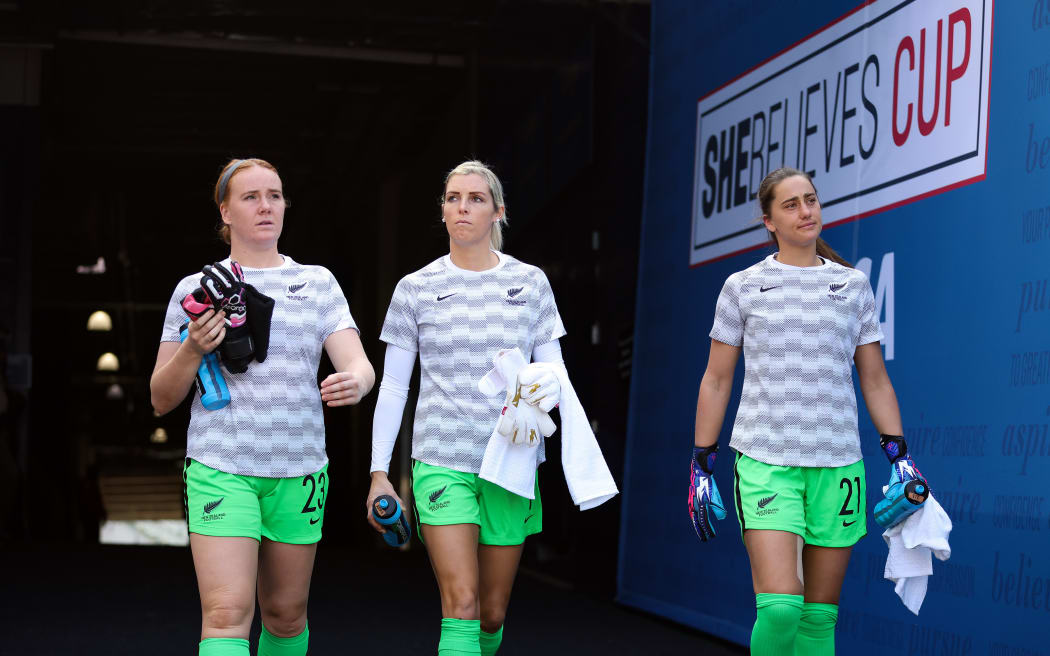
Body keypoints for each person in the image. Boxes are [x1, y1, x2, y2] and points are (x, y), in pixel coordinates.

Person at [687, 167, 927, 655]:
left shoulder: (854, 286)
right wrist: (702, 462)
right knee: (780, 608)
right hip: (764, 461)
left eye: (811, 200)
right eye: (791, 204)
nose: (806, 211)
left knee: (818, 620)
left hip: (839, 465)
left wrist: (900, 457)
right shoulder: (742, 286)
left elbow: (875, 380)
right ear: (769, 220)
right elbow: (716, 379)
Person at [150, 157, 375, 656]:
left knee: (285, 616)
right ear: (225, 212)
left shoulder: (318, 282)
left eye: (274, 195)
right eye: (250, 197)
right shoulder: (193, 290)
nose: (266, 206)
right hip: (220, 466)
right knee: (227, 613)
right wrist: (192, 348)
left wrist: (355, 383)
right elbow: (161, 399)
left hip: (299, 469)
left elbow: (359, 364)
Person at [367, 160, 566, 656]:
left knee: (493, 613)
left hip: (513, 461)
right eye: (453, 197)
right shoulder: (415, 288)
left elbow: (554, 372)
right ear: (442, 211)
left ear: (498, 211)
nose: (463, 207)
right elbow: (394, 387)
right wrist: (378, 472)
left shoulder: (532, 282)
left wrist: (539, 394)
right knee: (461, 603)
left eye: (476, 198)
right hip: (441, 461)